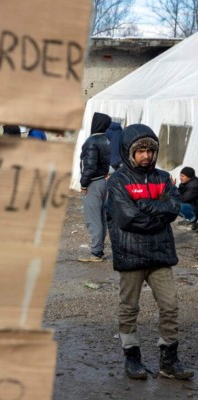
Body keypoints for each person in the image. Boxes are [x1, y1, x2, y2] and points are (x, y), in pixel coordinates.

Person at [106, 124, 193, 380]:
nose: (146, 155)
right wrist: (159, 212)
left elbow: (175, 207)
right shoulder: (119, 181)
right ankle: (132, 358)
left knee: (170, 306)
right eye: (140, 150)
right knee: (129, 308)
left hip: (160, 255)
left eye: (149, 150)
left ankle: (169, 361)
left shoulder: (163, 178)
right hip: (130, 254)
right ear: (129, 152)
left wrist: (144, 205)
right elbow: (127, 219)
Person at [78, 112, 111, 262]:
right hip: (103, 181)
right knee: (101, 218)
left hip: (93, 182)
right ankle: (99, 251)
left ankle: (96, 253)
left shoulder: (92, 141)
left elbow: (89, 166)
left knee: (93, 219)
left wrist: (84, 184)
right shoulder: (106, 140)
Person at [176, 167, 198, 231]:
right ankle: (189, 219)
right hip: (191, 205)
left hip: (196, 207)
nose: (180, 178)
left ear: (189, 177)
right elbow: (178, 193)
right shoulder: (184, 183)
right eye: (180, 175)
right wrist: (173, 187)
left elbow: (183, 199)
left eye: (183, 176)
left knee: (177, 205)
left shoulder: (194, 185)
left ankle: (192, 219)